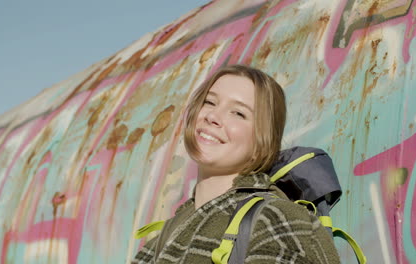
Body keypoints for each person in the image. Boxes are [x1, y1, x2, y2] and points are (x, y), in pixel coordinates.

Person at [133, 65, 340, 263]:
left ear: (263, 140)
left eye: (238, 113)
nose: (212, 116)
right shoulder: (168, 233)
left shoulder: (277, 220)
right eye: (209, 102)